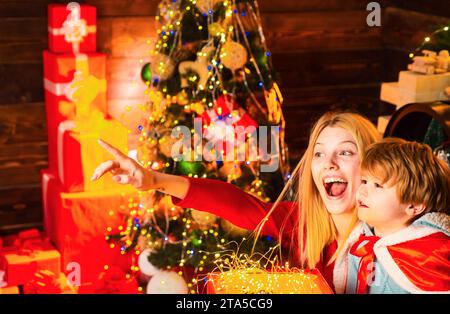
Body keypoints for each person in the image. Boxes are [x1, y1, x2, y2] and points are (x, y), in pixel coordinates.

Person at [91, 111, 381, 293]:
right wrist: (155, 180)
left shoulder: (387, 242)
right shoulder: (304, 221)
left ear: (372, 164)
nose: (328, 163)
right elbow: (239, 206)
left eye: (344, 153)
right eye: (319, 153)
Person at [347, 138, 450, 293]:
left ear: (413, 205)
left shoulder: (428, 259)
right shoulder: (361, 244)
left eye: (377, 185)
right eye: (364, 181)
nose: (362, 190)